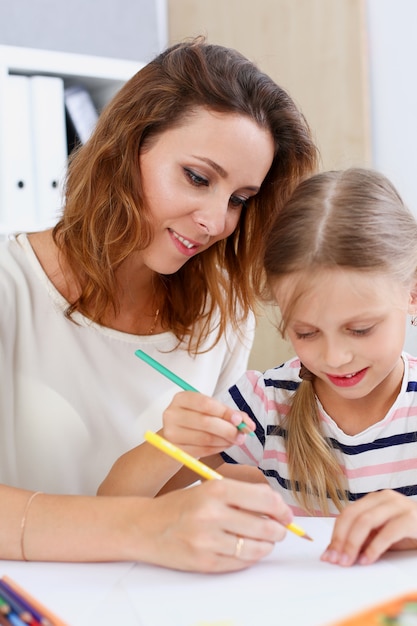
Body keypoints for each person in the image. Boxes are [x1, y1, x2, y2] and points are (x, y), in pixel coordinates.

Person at [0, 37, 318, 569]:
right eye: (197, 177)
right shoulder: (12, 286)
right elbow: (155, 523)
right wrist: (146, 529)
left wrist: (236, 494)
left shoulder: (222, 317)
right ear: (129, 146)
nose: (217, 222)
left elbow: (179, 490)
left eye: (240, 199)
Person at [100, 168, 417, 568]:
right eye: (307, 332)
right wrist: (172, 442)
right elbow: (113, 509)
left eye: (360, 329)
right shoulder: (262, 405)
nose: (335, 357)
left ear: (413, 294)